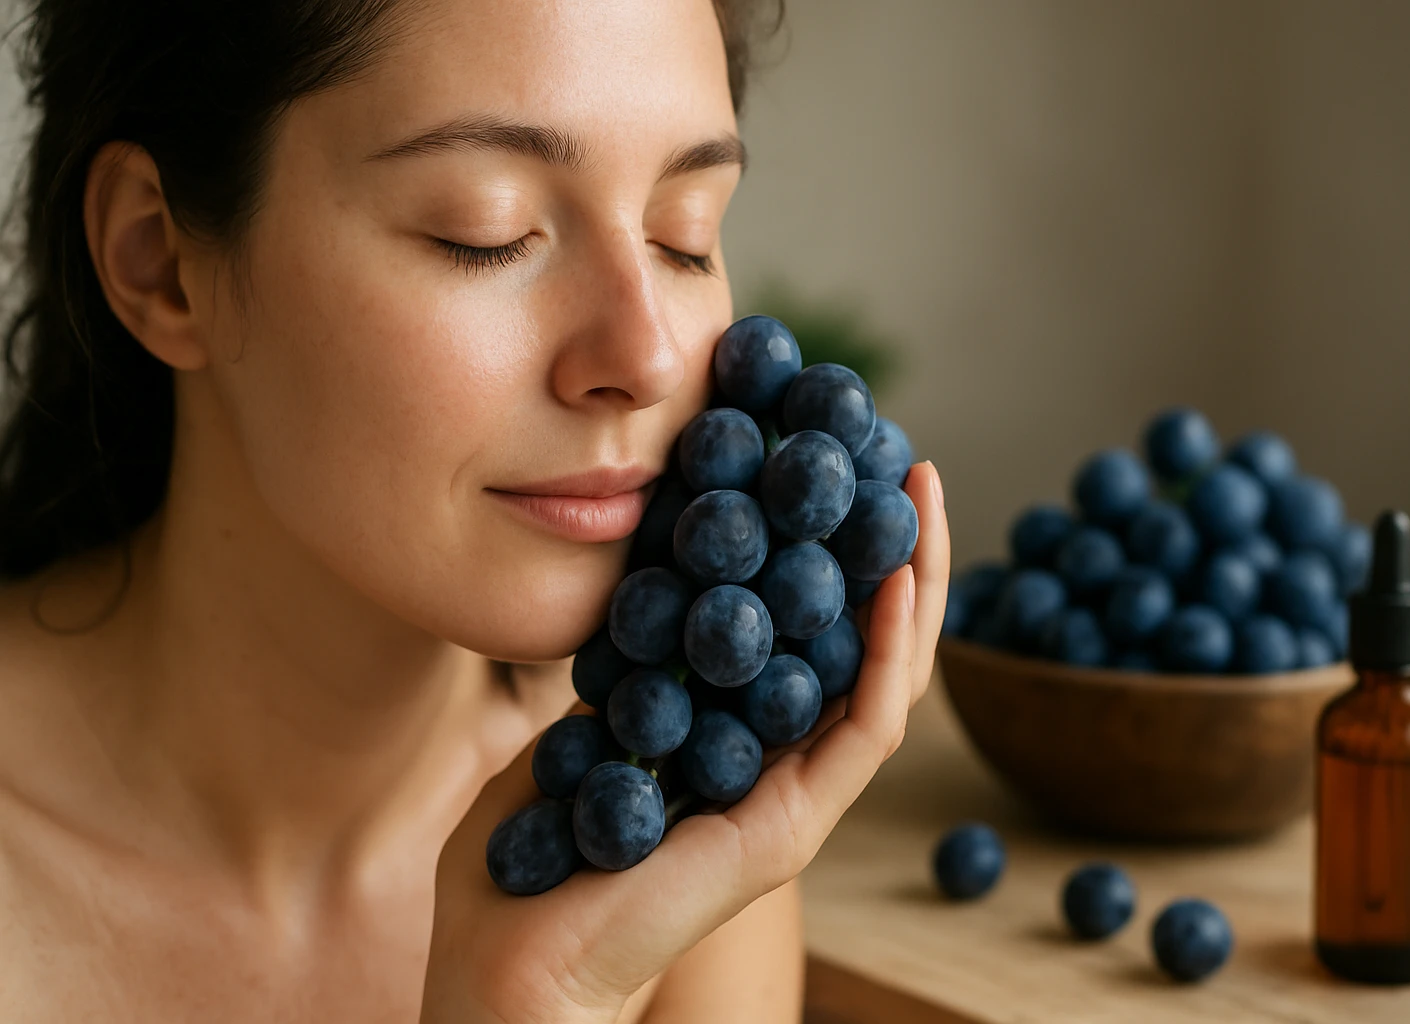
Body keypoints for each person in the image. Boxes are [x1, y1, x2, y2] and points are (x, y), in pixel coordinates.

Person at [0, 1, 951, 1021]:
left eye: (685, 237)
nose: (647, 358)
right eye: (485, 233)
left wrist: (530, 998)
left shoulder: (665, 820)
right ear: (161, 261)